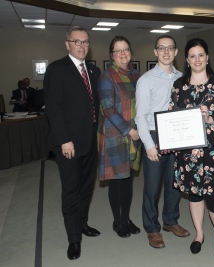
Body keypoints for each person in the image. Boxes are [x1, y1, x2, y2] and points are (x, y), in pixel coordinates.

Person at [169, 38, 214, 257]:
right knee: (195, 196)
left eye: (201, 55)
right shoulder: (179, 86)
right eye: (192, 55)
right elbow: (171, 116)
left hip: (212, 152)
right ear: (187, 59)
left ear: (207, 57)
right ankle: (199, 234)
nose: (197, 59)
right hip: (188, 154)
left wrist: (209, 120)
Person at [44, 26, 101, 260]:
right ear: (67, 44)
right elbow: (54, 107)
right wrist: (64, 140)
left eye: (85, 42)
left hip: (90, 141)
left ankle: (82, 223)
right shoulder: (57, 69)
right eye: (77, 41)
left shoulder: (94, 70)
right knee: (71, 191)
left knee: (86, 187)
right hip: (68, 144)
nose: (82, 46)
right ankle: (73, 238)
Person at [135, 35, 190, 249]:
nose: (166, 52)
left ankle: (170, 221)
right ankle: (152, 228)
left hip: (176, 135)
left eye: (170, 48)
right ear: (155, 52)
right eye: (161, 48)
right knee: (152, 186)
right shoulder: (146, 80)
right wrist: (149, 145)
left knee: (174, 183)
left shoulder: (183, 78)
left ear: (176, 52)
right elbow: (140, 116)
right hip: (154, 136)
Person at [97, 36, 142, 238]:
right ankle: (117, 221)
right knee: (117, 181)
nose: (123, 54)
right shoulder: (107, 77)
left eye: (126, 49)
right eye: (118, 51)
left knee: (128, 180)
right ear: (112, 55)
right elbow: (108, 109)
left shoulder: (136, 76)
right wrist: (130, 131)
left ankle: (126, 218)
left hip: (134, 136)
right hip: (116, 136)